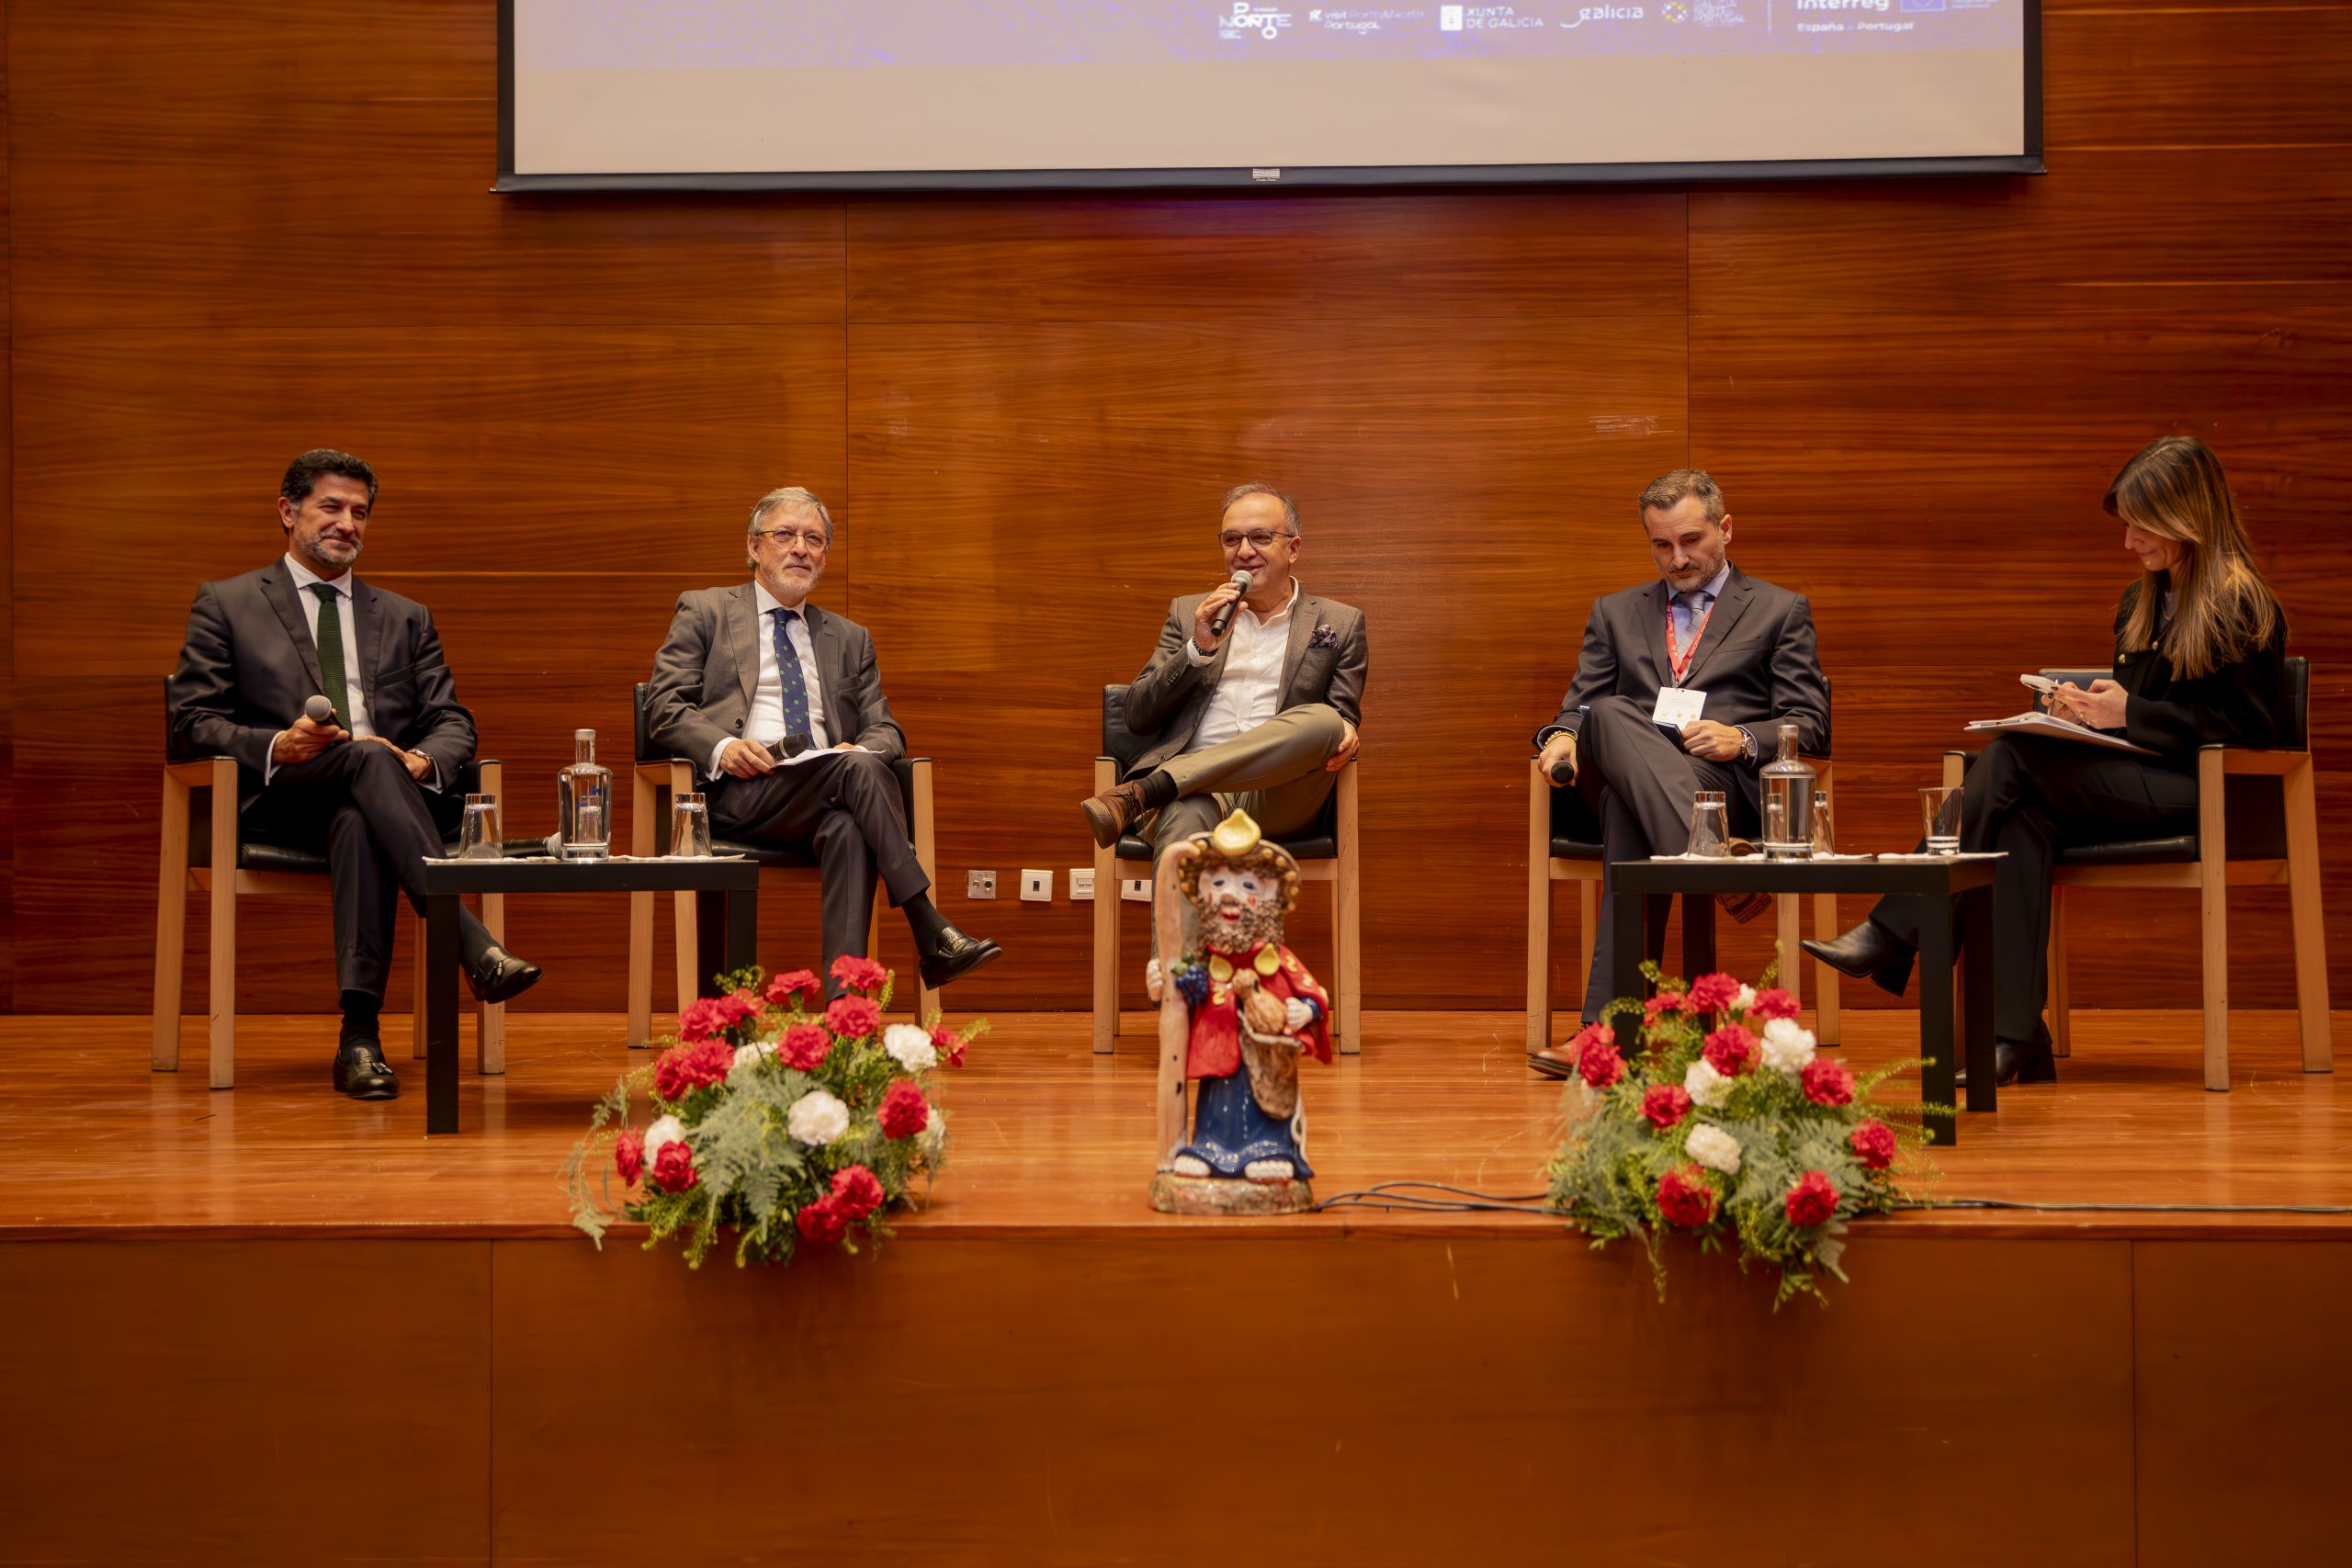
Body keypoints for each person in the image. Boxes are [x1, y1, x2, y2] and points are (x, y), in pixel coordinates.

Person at [1806, 435, 2290, 1086]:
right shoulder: (2139, 602)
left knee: (2006, 760)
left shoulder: (2242, 603)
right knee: (2017, 821)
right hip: (2137, 781)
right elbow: (2135, 715)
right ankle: (2017, 1039)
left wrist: (2130, 714)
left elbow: (2254, 727)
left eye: (2141, 525)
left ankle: (1894, 930)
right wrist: (2084, 717)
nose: (2129, 543)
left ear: (2186, 516)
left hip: (2204, 791)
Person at [166, 449, 542, 1102]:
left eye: (360, 512)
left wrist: (422, 760)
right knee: (367, 759)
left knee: (362, 807)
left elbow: (452, 719)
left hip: (380, 801)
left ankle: (360, 1040)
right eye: (331, 507)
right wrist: (279, 743)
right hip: (278, 796)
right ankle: (470, 941)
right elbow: (190, 721)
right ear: (288, 512)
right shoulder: (227, 604)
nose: (347, 523)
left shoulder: (404, 616)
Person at [1528, 468, 1829, 1077]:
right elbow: (1578, 707)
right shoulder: (1615, 612)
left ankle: (1609, 1032)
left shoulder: (1778, 610)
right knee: (1608, 713)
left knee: (1625, 808)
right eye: (1661, 545)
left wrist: (1741, 737)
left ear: (1725, 528)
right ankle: (1715, 867)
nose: (1678, 557)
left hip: (1725, 791)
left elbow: (1811, 724)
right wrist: (1559, 735)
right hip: (1649, 780)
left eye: (1691, 540)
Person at [646, 486, 999, 994]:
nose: (800, 548)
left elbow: (885, 728)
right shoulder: (706, 611)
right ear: (753, 546)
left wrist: (865, 750)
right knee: (853, 779)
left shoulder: (849, 638)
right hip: (739, 790)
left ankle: (845, 1013)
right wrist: (723, 747)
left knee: (849, 826)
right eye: (785, 535)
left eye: (814, 539)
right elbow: (664, 706)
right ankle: (928, 926)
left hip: (824, 788)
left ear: (825, 556)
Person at [1078, 483, 1367, 905]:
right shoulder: (1191, 613)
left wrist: (1346, 727)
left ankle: (1148, 790)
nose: (1244, 550)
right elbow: (1137, 715)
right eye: (1232, 539)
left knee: (1324, 720)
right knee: (1184, 813)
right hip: (1191, 800)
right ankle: (1180, 973)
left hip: (1278, 796)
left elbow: (1339, 723)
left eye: (1260, 537)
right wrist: (1198, 650)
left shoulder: (1339, 622)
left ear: (1294, 548)